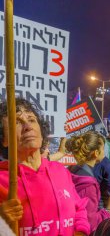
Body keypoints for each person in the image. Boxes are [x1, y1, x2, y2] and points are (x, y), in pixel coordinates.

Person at [0, 98, 90, 235]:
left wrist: (81, 232)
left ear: (42, 133)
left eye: (31, 120)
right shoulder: (2, 179)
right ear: (4, 140)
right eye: (16, 122)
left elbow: (79, 209)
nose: (28, 126)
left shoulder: (60, 171)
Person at [66, 131, 110, 233]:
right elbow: (90, 221)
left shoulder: (73, 169)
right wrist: (106, 214)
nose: (104, 152)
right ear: (96, 153)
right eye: (103, 149)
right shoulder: (88, 185)